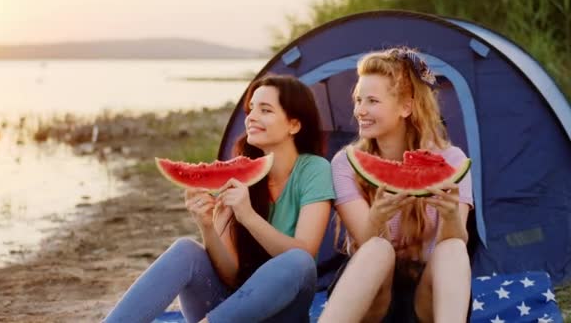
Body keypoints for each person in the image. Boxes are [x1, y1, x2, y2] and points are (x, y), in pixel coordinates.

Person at [104, 74, 336, 323]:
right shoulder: (238, 177)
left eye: (265, 110)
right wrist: (207, 227)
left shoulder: (315, 170)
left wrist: (247, 216)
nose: (251, 117)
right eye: (251, 109)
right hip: (227, 312)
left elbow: (305, 251)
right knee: (186, 249)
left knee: (298, 261)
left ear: (294, 125)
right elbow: (230, 275)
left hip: (282, 314)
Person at [319, 47, 473, 323]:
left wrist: (450, 216)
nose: (360, 111)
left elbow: (456, 241)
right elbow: (365, 245)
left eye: (372, 101)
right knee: (378, 248)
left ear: (406, 107)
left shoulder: (452, 161)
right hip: (371, 300)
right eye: (358, 100)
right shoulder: (344, 163)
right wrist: (378, 217)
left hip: (427, 302)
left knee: (453, 248)